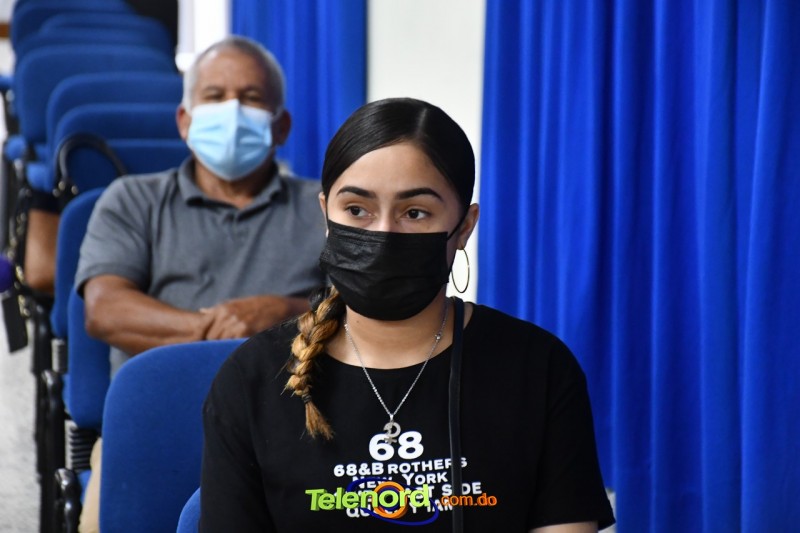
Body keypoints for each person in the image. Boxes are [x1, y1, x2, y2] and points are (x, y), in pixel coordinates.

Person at [199, 97, 615, 532]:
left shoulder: (540, 369)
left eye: (415, 213)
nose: (383, 233)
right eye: (356, 210)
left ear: (464, 227)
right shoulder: (252, 380)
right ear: (325, 214)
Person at [74, 36, 326, 533]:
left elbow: (363, 314)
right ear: (185, 120)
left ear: (281, 126)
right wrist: (226, 332)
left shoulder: (326, 207)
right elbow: (106, 310)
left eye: (251, 98)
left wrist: (285, 311)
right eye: (214, 96)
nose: (231, 111)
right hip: (157, 429)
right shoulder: (132, 200)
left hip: (298, 431)